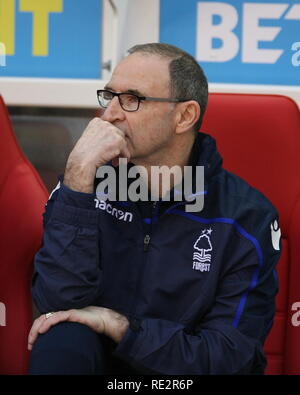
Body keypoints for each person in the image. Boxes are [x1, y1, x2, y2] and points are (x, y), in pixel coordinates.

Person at [28, 43, 280, 375]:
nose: (110, 114)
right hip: (99, 366)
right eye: (109, 96)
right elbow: (57, 303)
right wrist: (77, 176)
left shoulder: (248, 217)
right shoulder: (85, 183)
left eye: (132, 99)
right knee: (60, 338)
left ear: (184, 116)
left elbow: (228, 356)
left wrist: (121, 327)